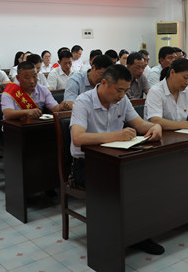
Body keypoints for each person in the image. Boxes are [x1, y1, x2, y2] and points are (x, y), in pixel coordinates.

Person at [69, 65, 164, 255]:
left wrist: (155, 127)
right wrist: (116, 135)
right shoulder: (83, 101)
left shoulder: (122, 100)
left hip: (117, 160)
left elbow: (140, 125)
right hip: (86, 166)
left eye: (126, 91)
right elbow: (78, 138)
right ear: (104, 83)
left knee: (148, 177)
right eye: (119, 90)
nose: (122, 95)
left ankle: (138, 234)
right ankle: (111, 239)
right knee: (124, 185)